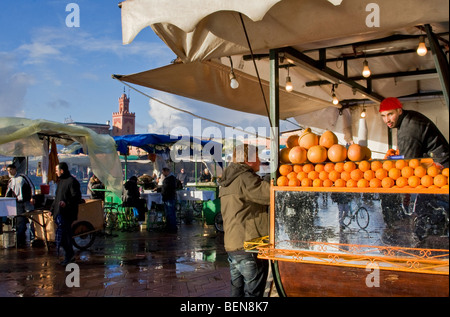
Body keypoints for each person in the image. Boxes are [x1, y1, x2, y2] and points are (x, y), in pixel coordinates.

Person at [219, 144, 270, 297]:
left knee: (237, 292)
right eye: (257, 157)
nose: (260, 161)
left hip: (232, 245)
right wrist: (270, 178)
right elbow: (269, 194)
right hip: (249, 245)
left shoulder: (228, 179)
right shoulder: (245, 178)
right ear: (248, 159)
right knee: (253, 294)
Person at [379, 97, 449, 168]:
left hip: (442, 164)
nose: (387, 120)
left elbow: (407, 161)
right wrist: (393, 158)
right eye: (383, 116)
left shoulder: (409, 127)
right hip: (435, 162)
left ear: (399, 111)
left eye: (390, 114)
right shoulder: (408, 117)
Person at [50, 162, 81, 265]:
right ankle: (69, 255)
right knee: (63, 236)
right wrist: (52, 209)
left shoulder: (72, 181)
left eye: (57, 170)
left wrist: (66, 203)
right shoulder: (61, 182)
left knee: (65, 235)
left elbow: (76, 197)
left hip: (68, 213)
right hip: (59, 212)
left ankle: (69, 256)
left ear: (62, 171)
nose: (55, 172)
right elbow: (57, 197)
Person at [5, 164, 35, 247]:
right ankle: (20, 239)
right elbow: (8, 192)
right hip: (18, 203)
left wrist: (32, 197)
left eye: (10, 170)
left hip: (27, 201)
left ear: (14, 169)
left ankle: (34, 238)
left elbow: (31, 186)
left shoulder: (22, 177)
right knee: (20, 221)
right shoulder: (11, 181)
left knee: (31, 219)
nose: (9, 172)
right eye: (8, 170)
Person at [160, 167, 177, 233]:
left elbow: (165, 188)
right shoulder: (171, 178)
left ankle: (171, 227)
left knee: (170, 213)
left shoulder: (169, 179)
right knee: (170, 213)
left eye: (163, 172)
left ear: (166, 171)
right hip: (170, 197)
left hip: (168, 197)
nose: (163, 173)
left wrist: (161, 191)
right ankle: (171, 226)